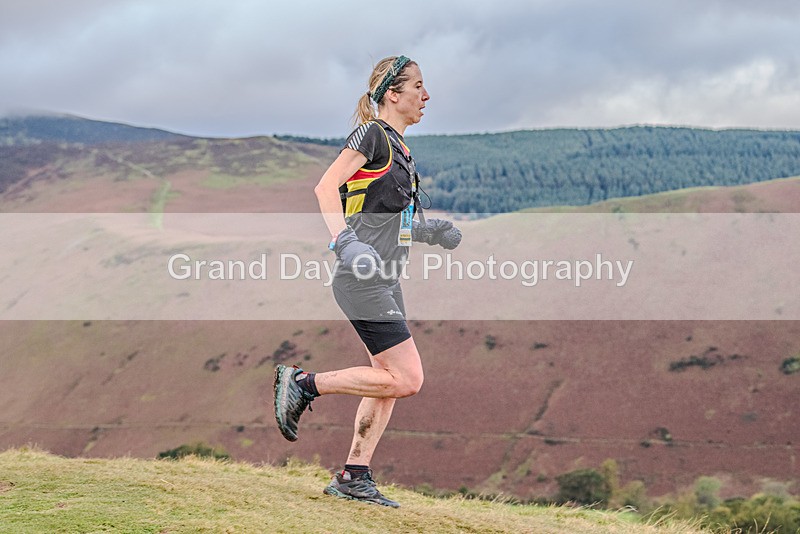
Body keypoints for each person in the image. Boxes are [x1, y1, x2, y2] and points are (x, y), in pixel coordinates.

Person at [273, 55, 461, 508]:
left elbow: (382, 218)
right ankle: (302, 383)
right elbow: (325, 187)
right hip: (361, 277)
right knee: (408, 378)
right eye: (418, 86)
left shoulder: (399, 148)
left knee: (387, 379)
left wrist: (426, 230)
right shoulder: (373, 134)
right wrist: (343, 243)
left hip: (383, 277)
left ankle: (354, 475)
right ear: (392, 93)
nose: (426, 95)